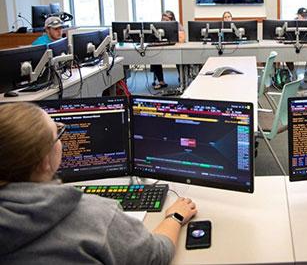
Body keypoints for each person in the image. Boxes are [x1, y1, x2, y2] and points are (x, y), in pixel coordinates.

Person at [0, 102, 198, 264]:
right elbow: (156, 255)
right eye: (58, 134)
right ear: (44, 162)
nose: (62, 139)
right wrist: (175, 217)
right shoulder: (94, 216)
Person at [151, 10, 185, 90]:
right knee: (154, 57)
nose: (164, 22)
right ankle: (161, 81)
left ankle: (182, 80)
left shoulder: (178, 26)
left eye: (167, 20)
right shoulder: (157, 27)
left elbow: (182, 39)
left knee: (179, 59)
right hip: (162, 49)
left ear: (172, 20)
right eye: (163, 20)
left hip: (175, 49)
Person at [286, 7, 307, 81]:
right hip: (293, 45)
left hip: (306, 44)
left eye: (305, 16)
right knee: (286, 55)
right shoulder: (291, 24)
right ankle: (294, 75)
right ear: (298, 15)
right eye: (302, 16)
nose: (304, 17)